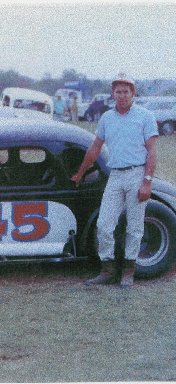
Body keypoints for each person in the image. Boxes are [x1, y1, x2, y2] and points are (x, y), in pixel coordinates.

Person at [71, 73, 158, 287]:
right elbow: (95, 148)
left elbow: (152, 151)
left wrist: (147, 181)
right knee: (104, 225)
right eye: (118, 91)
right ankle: (107, 270)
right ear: (113, 93)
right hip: (116, 175)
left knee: (135, 226)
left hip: (137, 174)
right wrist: (80, 173)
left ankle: (128, 271)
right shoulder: (106, 118)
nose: (121, 96)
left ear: (133, 93)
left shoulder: (145, 116)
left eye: (125, 91)